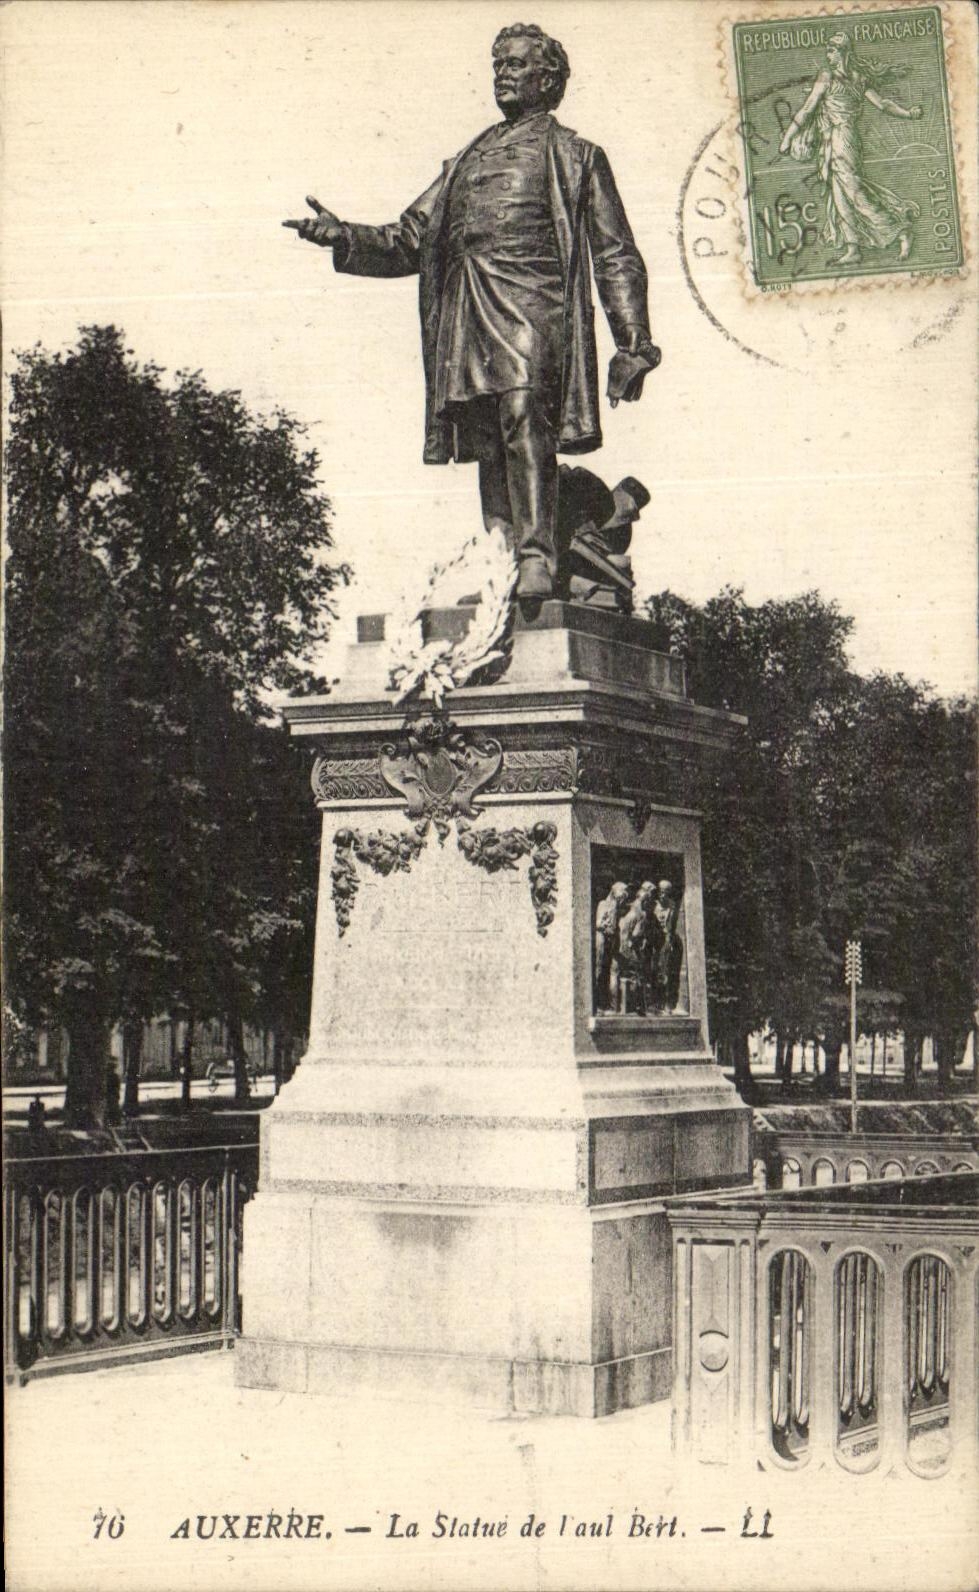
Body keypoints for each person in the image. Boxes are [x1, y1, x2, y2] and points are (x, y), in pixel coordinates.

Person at [285, 23, 659, 601]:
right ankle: (502, 558)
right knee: (488, 430)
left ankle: (538, 556)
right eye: (497, 65)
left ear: (549, 79)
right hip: (470, 309)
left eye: (515, 64)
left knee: (522, 411)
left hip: (538, 309)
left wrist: (633, 343)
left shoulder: (577, 156)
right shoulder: (467, 158)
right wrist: (345, 237)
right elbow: (412, 236)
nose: (502, 74)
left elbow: (615, 253)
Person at [779, 31, 923, 266]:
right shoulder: (853, 78)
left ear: (844, 52)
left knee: (855, 194)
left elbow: (808, 110)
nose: (828, 54)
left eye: (832, 50)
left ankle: (901, 231)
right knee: (840, 196)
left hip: (842, 139)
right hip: (836, 139)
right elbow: (810, 108)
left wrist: (787, 139)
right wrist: (908, 114)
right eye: (827, 50)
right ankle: (853, 247)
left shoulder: (835, 77)